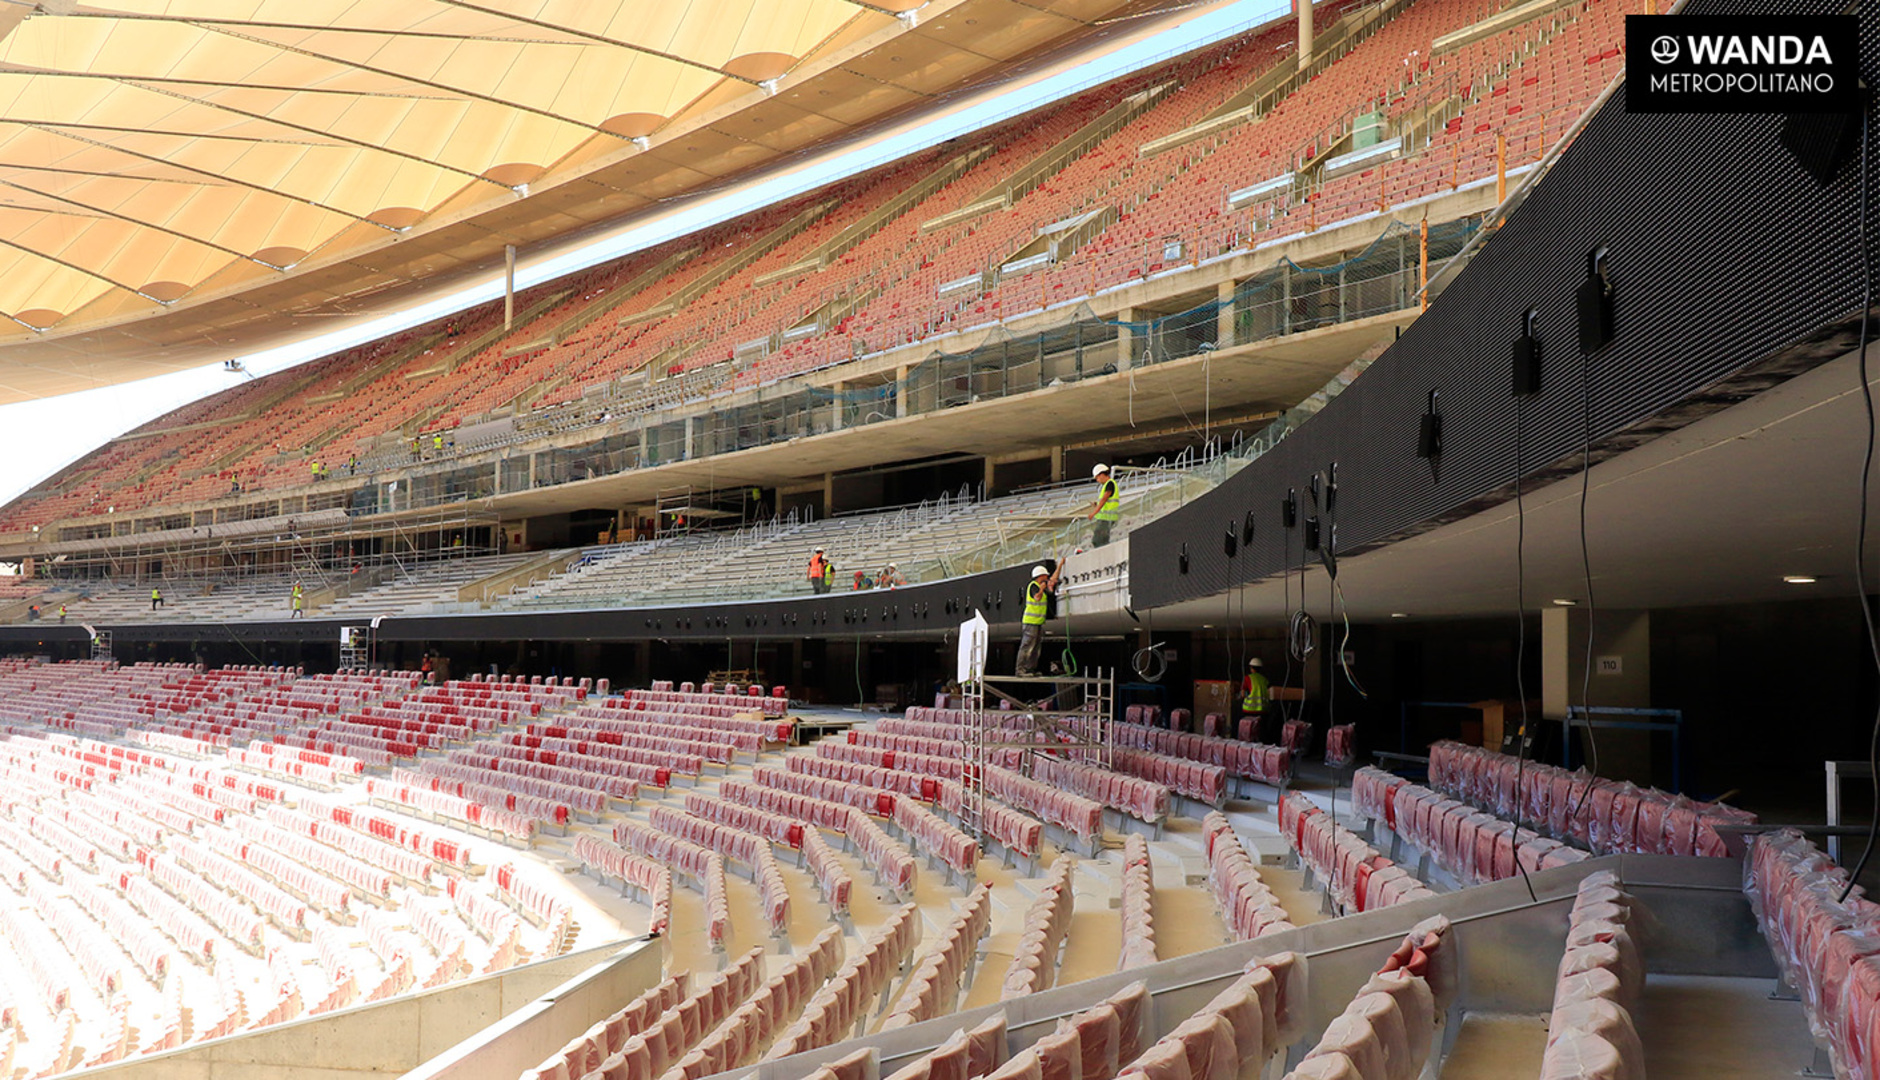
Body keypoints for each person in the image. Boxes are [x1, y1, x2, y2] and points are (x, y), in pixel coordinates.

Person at [1016, 561, 1063, 677]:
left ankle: (1030, 669)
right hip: (1030, 622)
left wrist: (1060, 565)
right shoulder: (1033, 586)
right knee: (1027, 646)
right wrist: (1042, 589)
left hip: (1038, 622)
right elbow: (1037, 597)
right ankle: (1020, 670)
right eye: (1045, 576)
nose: (1047, 578)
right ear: (1040, 576)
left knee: (1036, 648)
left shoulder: (1041, 586)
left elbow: (1052, 581)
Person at [1087, 464, 1121, 547]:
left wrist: (1093, 513)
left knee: (1098, 540)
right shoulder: (1108, 485)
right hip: (1107, 518)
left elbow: (1104, 500)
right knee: (1102, 540)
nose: (1097, 480)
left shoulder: (1109, 484)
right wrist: (1096, 505)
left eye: (1097, 477)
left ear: (1102, 474)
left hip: (1107, 518)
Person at [1240, 657, 1270, 741]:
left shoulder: (1247, 678)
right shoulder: (1264, 679)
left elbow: (1243, 694)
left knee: (1249, 733)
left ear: (1251, 668)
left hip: (1249, 710)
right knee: (1261, 733)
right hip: (1263, 710)